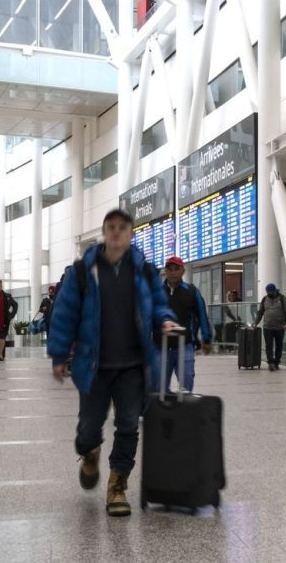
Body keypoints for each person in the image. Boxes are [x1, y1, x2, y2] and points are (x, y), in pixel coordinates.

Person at [48, 209, 177, 517]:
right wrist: (58, 355)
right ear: (104, 232)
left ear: (131, 233)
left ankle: (117, 486)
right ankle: (89, 454)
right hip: (94, 366)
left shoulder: (144, 271)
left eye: (123, 227)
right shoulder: (83, 271)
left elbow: (159, 304)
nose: (117, 232)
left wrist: (166, 320)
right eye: (111, 227)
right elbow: (65, 314)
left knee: (129, 425)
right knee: (89, 428)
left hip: (134, 366)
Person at [156, 256, 212, 392]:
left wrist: (206, 339)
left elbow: (202, 315)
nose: (173, 272)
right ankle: (163, 411)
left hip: (184, 345)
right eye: (170, 269)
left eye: (176, 269)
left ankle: (184, 411)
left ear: (183, 271)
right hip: (160, 347)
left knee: (187, 383)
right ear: (165, 271)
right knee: (159, 388)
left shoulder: (192, 291)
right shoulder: (156, 292)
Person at [253, 283, 286, 371]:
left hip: (280, 327)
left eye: (271, 292)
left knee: (279, 346)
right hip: (267, 327)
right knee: (268, 345)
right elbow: (260, 312)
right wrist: (255, 323)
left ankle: (276, 362)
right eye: (268, 292)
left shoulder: (282, 298)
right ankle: (270, 362)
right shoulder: (264, 299)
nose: (269, 294)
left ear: (275, 291)